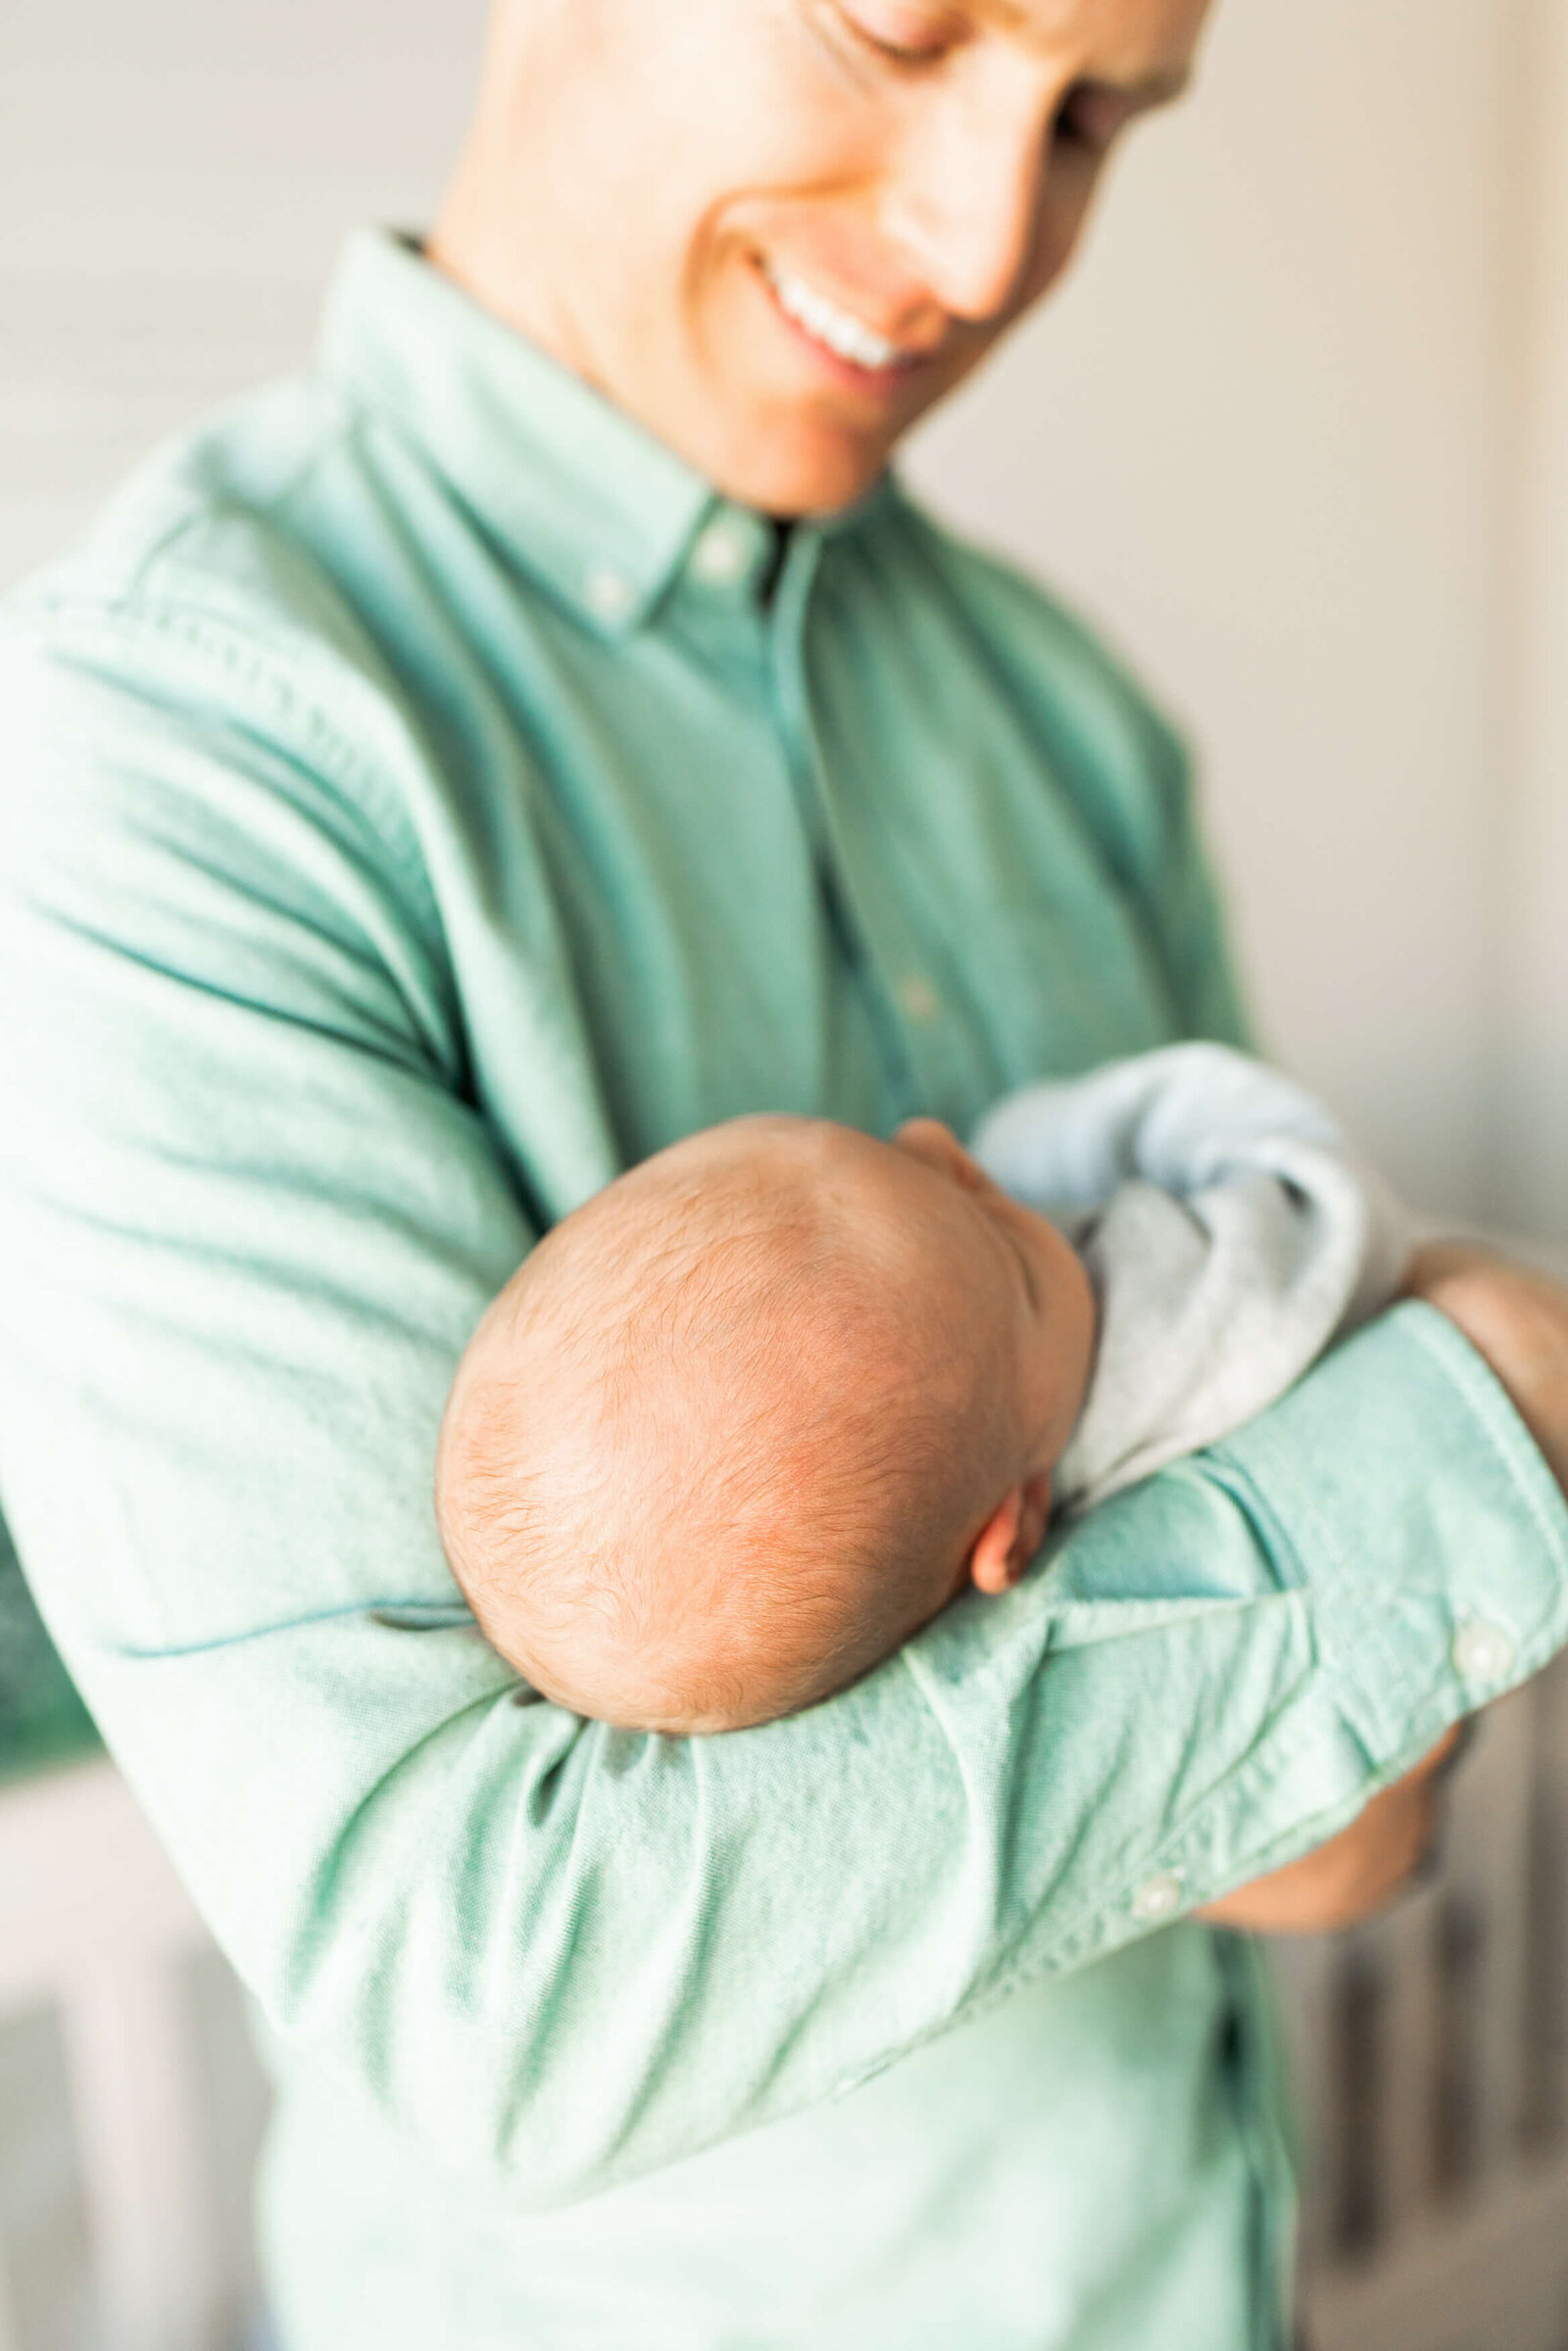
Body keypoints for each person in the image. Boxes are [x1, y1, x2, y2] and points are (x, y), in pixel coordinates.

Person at [2, 0, 1568, 2342]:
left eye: (1095, 123)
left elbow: (1350, 1829)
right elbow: (504, 1993)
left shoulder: (1068, 725)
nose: (980, 238)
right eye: (899, 27)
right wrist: (1459, 1437)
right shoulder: (183, 756)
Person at [438, 1044, 1411, 1735]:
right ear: (1012, 1531)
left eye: (902, 1158)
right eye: (1005, 1246)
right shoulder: (1176, 1325)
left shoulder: (969, 1468)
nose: (945, 1145)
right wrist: (1075, 1134)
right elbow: (1322, 1199)